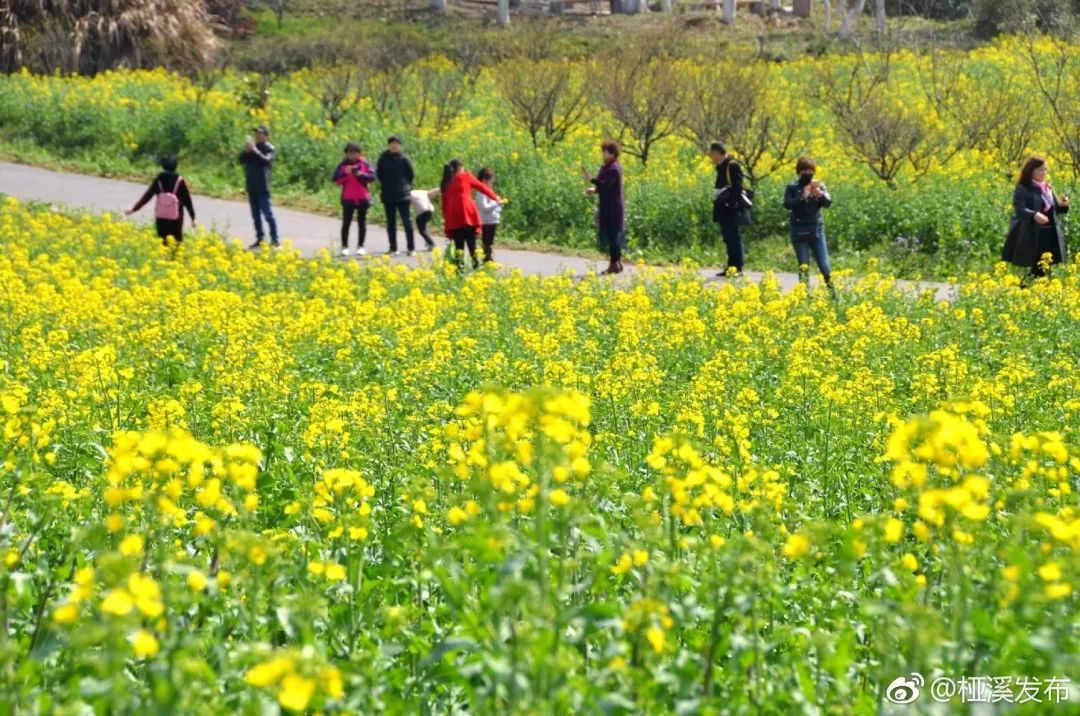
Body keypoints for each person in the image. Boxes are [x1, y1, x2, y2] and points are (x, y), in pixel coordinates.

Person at [1003, 156, 1070, 279]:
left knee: (1046, 267)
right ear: (1031, 170)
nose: (1044, 173)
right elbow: (1019, 209)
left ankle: (1035, 293)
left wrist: (1064, 205)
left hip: (1050, 233)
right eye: (1040, 170)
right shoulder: (1023, 188)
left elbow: (1055, 209)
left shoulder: (1047, 188)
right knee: (1037, 268)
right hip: (1033, 234)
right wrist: (1034, 215)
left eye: (1045, 170)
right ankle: (1024, 291)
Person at [440, 158, 503, 270]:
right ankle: (476, 267)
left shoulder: (446, 182)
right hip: (467, 214)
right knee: (472, 244)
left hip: (453, 218)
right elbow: (482, 187)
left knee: (459, 247)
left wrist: (446, 220)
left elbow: (444, 204)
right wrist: (495, 198)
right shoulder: (466, 176)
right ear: (460, 167)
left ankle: (459, 270)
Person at [783, 157, 833, 287]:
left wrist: (819, 194)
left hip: (816, 229)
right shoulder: (792, 187)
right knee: (803, 265)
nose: (807, 174)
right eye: (804, 171)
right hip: (799, 230)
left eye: (810, 171)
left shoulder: (819, 186)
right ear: (799, 172)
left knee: (824, 264)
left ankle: (834, 294)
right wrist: (803, 196)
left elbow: (828, 203)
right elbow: (787, 204)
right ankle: (804, 296)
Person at [125, 154, 196, 246]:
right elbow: (187, 200)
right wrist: (193, 217)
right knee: (176, 243)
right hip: (176, 218)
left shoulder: (159, 180)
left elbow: (147, 196)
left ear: (163, 166)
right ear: (176, 166)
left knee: (163, 242)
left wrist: (134, 209)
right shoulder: (180, 181)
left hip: (161, 217)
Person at [581, 140, 626, 275]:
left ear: (612, 153)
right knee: (612, 235)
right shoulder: (606, 167)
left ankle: (614, 264)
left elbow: (606, 185)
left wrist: (591, 179)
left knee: (613, 235)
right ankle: (617, 263)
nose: (603, 154)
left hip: (613, 207)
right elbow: (602, 187)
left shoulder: (614, 169)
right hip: (607, 206)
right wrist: (593, 190)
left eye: (605, 151)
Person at [710, 142, 750, 277]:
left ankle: (737, 267)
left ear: (718, 153)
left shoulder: (732, 165)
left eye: (712, 154)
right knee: (728, 238)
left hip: (731, 209)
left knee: (734, 237)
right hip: (724, 210)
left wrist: (727, 199)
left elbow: (738, 187)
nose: (711, 157)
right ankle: (730, 267)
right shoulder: (722, 166)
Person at [239, 124, 279, 249]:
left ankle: (275, 239)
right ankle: (260, 238)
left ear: (266, 135)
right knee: (255, 215)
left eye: (260, 133)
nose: (257, 135)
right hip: (252, 186)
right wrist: (245, 152)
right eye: (256, 133)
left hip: (262, 186)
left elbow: (266, 161)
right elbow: (241, 160)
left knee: (268, 214)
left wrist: (254, 151)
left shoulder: (270, 148)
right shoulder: (252, 148)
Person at [333, 142, 376, 257]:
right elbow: (336, 181)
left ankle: (361, 246)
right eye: (350, 153)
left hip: (362, 198)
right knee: (346, 223)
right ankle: (344, 247)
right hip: (348, 198)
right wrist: (345, 173)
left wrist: (361, 174)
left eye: (355, 153)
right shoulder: (342, 165)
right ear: (346, 154)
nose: (353, 156)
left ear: (359, 153)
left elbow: (372, 178)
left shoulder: (364, 163)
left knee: (362, 223)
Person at [376, 135, 417, 255]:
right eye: (391, 143)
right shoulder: (383, 158)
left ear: (399, 145)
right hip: (388, 194)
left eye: (396, 144)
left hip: (403, 194)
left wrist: (405, 186)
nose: (394, 146)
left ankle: (411, 248)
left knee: (407, 222)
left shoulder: (404, 158)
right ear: (388, 145)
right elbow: (380, 174)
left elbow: (411, 175)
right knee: (391, 223)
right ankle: (393, 248)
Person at [475, 167, 504, 263]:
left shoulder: (488, 190)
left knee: (489, 242)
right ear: (484, 180)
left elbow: (494, 204)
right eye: (491, 182)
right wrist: (497, 203)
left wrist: (500, 205)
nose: (492, 185)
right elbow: (484, 207)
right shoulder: (481, 192)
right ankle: (487, 259)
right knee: (487, 242)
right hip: (487, 221)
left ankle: (488, 258)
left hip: (492, 220)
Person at [409, 188, 440, 252]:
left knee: (422, 231)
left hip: (422, 212)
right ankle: (428, 244)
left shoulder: (409, 194)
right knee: (423, 227)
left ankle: (432, 244)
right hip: (430, 210)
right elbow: (433, 191)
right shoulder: (421, 192)